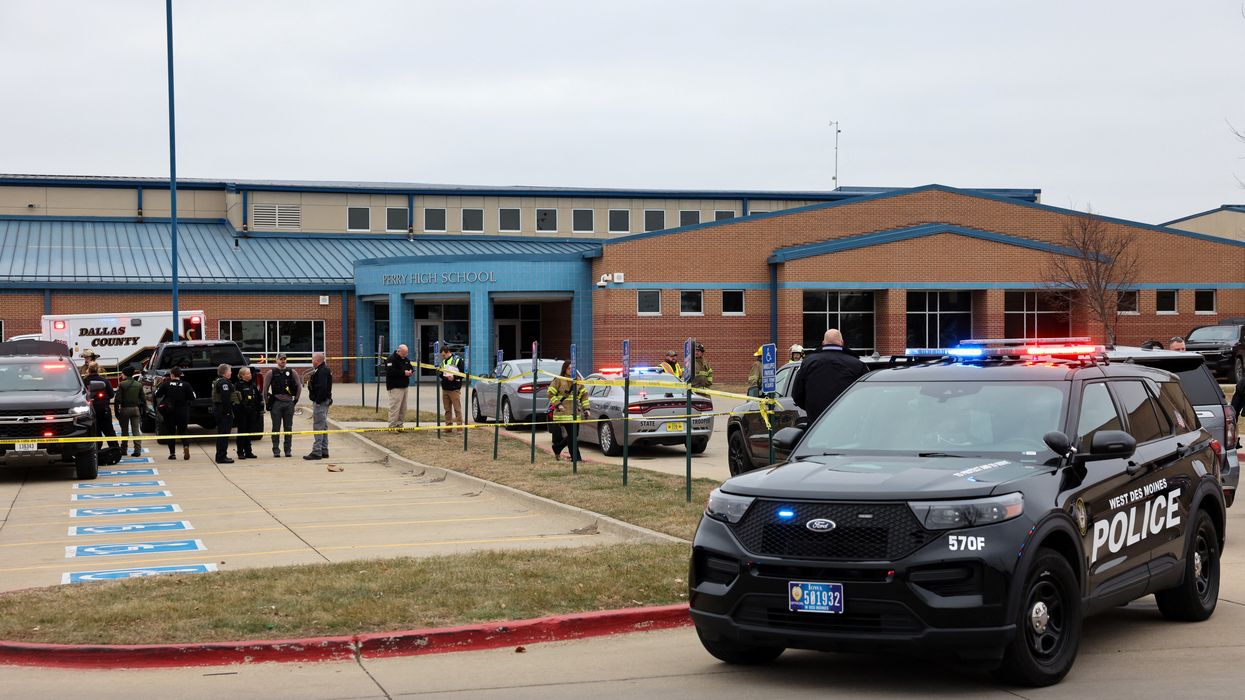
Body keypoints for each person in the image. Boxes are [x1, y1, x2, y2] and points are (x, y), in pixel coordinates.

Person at [791, 328, 868, 424]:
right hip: (848, 422)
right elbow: (866, 396)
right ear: (842, 343)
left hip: (816, 424)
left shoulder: (808, 362)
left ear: (823, 343)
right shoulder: (857, 364)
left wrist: (812, 409)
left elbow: (797, 394)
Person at [547, 360, 587, 461]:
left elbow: (584, 395)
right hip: (563, 413)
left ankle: (557, 447)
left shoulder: (578, 380)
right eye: (569, 368)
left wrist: (586, 408)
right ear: (564, 369)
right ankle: (576, 458)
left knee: (574, 435)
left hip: (575, 413)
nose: (571, 370)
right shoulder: (559, 380)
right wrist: (558, 404)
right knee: (573, 436)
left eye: (573, 368)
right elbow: (550, 393)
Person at [265, 353, 302, 457]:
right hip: (276, 403)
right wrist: (267, 403)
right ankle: (276, 450)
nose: (283, 361)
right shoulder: (271, 373)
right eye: (281, 359)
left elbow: (299, 386)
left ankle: (287, 450)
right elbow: (265, 389)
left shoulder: (292, 372)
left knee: (288, 428)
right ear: (276, 360)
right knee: (276, 428)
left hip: (289, 403)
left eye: (284, 359)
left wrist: (295, 400)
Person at [154, 366, 195, 460]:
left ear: (171, 375)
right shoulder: (186, 385)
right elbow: (193, 397)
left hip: (169, 411)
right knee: (183, 431)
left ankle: (172, 453)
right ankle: (186, 446)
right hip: (183, 411)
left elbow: (157, 394)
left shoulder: (166, 384)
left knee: (170, 432)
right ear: (180, 375)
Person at [304, 351, 333, 460]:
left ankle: (317, 451)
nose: (312, 361)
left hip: (320, 402)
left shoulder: (322, 371)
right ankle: (324, 450)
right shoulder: (322, 370)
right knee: (323, 426)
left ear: (317, 361)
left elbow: (322, 388)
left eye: (313, 359)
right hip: (324, 401)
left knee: (318, 426)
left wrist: (318, 401)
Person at [84, 362, 118, 450]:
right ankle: (115, 450)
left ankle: (96, 451)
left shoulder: (84, 381)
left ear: (88, 370)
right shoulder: (104, 381)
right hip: (104, 410)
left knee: (95, 432)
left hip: (90, 411)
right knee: (109, 431)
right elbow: (111, 394)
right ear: (98, 369)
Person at [114, 365, 145, 457]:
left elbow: (117, 399)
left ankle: (124, 449)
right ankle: (137, 450)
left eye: (122, 374)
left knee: (124, 431)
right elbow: (143, 399)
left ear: (126, 374)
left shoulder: (122, 384)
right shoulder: (139, 384)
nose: (121, 375)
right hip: (136, 409)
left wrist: (116, 411)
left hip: (125, 409)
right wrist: (142, 411)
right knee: (136, 431)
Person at [233, 367, 263, 460]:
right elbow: (236, 400)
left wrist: (258, 410)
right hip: (242, 413)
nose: (250, 375)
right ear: (242, 375)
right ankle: (240, 452)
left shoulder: (252, 385)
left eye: (250, 373)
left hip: (251, 412)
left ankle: (248, 452)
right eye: (248, 373)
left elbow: (258, 398)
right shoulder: (238, 385)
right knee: (242, 432)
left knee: (249, 432)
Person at [211, 363, 237, 464]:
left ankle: (221, 455)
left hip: (219, 410)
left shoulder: (218, 381)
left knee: (222, 434)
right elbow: (225, 398)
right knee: (224, 434)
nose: (231, 373)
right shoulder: (224, 383)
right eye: (230, 371)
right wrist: (227, 412)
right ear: (225, 373)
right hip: (223, 411)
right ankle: (221, 456)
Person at [384, 343, 414, 428]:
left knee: (403, 408)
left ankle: (400, 425)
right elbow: (390, 372)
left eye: (406, 353)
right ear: (398, 351)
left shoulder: (406, 359)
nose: (405, 355)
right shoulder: (391, 359)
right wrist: (404, 373)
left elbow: (411, 367)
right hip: (395, 387)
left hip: (404, 386)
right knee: (395, 407)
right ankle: (392, 426)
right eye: (404, 353)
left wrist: (411, 371)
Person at [439, 345, 465, 432]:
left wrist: (454, 377)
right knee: (447, 409)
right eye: (442, 356)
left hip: (454, 388)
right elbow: (440, 373)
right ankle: (448, 426)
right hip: (445, 388)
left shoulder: (458, 360)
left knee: (457, 409)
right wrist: (440, 373)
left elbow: (462, 374)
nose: (443, 357)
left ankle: (459, 427)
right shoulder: (443, 362)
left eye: (444, 355)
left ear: (448, 352)